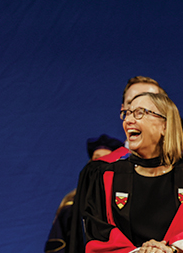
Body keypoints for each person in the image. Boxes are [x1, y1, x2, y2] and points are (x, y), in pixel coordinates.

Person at [84, 92, 183, 253]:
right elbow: (98, 233)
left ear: (165, 125)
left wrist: (173, 249)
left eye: (140, 112)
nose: (128, 120)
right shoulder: (107, 176)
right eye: (127, 113)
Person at [69, 77, 168, 253]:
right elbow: (87, 238)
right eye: (133, 103)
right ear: (123, 110)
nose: (139, 109)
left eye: (149, 104)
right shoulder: (99, 171)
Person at [45, 134, 125, 253]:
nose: (100, 164)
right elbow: (57, 246)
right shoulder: (70, 207)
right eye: (96, 158)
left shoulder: (123, 202)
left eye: (107, 158)